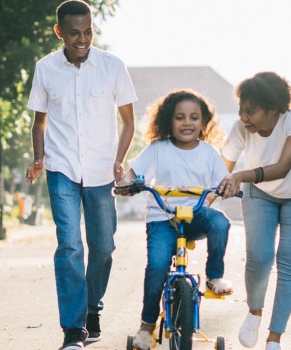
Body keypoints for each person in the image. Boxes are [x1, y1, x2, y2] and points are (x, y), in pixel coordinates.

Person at [23, 1, 137, 349]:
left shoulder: (112, 66)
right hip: (61, 170)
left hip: (102, 170)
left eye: (88, 31)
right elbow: (39, 121)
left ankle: (91, 308)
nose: (83, 39)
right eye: (74, 33)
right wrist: (39, 158)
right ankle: (73, 329)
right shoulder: (45, 69)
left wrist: (120, 160)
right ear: (60, 32)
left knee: (103, 247)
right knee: (70, 245)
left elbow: (129, 121)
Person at [115, 89, 233, 350]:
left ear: (203, 122)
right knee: (157, 266)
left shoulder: (210, 153)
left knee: (220, 222)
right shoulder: (158, 149)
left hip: (195, 216)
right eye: (180, 117)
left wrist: (228, 186)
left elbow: (223, 181)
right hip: (162, 218)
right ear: (169, 120)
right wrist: (126, 183)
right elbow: (133, 173)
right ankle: (147, 326)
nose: (187, 123)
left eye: (194, 117)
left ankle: (214, 276)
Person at [217, 72, 291, 350]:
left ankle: (274, 337)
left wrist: (241, 175)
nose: (243, 117)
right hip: (259, 192)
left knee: (289, 261)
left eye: (250, 111)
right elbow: (219, 170)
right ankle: (254, 312)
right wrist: (198, 200)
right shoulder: (241, 128)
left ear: (273, 108)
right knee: (259, 258)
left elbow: (284, 167)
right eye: (241, 109)